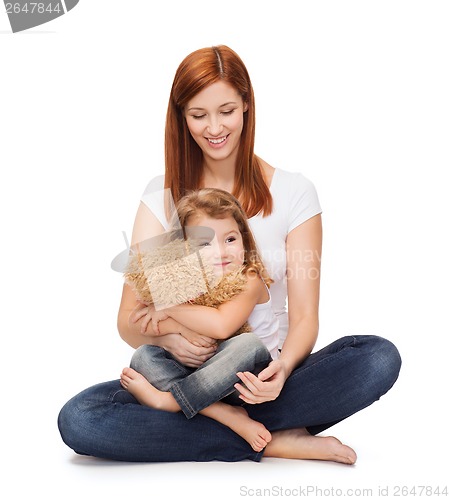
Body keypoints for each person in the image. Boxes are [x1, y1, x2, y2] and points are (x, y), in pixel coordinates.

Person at [58, 45, 401, 464]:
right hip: (185, 375)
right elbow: (129, 321)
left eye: (226, 111)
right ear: (181, 118)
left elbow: (306, 316)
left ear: (246, 107)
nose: (214, 127)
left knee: (376, 357)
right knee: (80, 419)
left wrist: (284, 370)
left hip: (264, 377)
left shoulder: (294, 193)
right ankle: (269, 438)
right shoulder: (162, 196)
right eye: (198, 115)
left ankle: (225, 423)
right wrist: (169, 339)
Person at [120, 187, 279, 452]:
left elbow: (221, 326)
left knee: (247, 344)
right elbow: (140, 322)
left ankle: (170, 402)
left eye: (230, 239)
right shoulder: (186, 281)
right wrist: (172, 327)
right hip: (204, 382)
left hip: (248, 381)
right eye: (204, 243)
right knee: (143, 357)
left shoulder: (249, 278)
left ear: (244, 241)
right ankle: (220, 414)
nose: (221, 252)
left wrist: (168, 307)